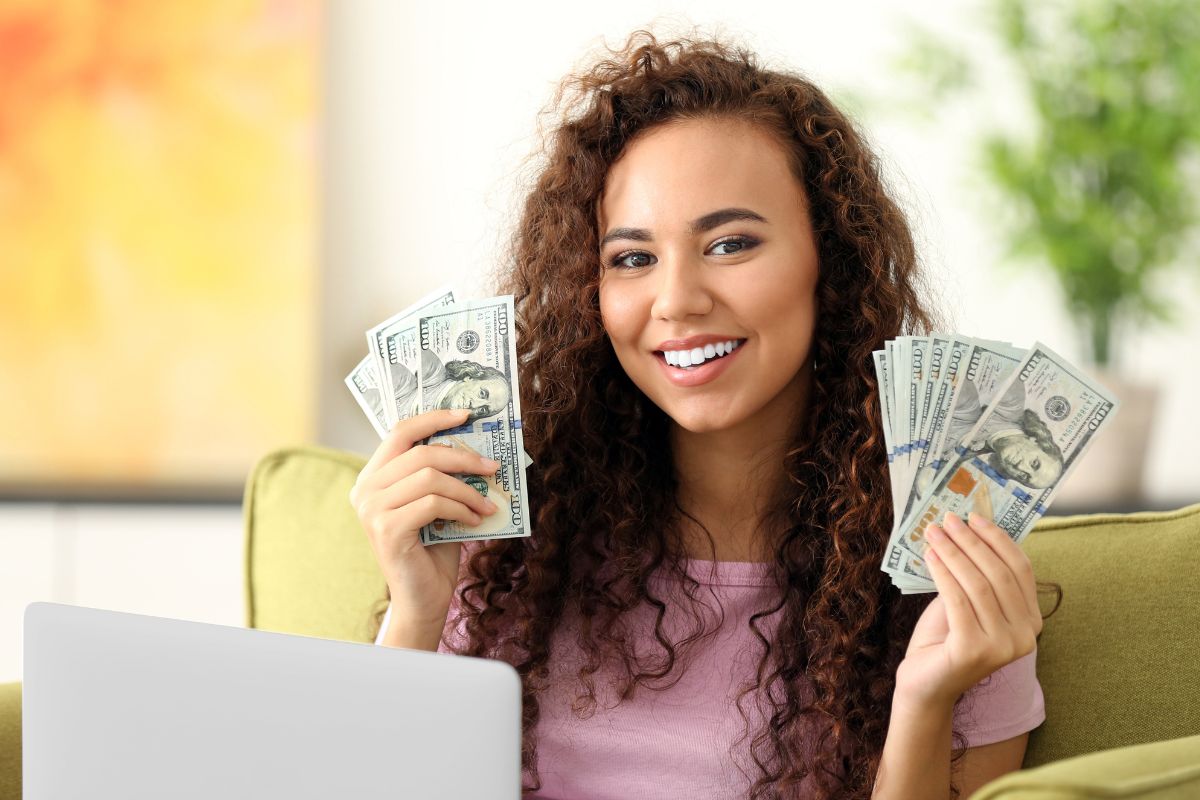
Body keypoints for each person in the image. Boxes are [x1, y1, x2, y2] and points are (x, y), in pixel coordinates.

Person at [350, 28, 1059, 800]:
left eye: (729, 244)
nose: (678, 300)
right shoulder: (508, 555)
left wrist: (923, 704)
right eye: (631, 258)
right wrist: (417, 617)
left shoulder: (952, 582)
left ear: (831, 261)